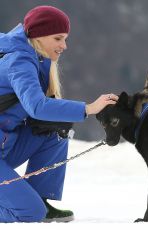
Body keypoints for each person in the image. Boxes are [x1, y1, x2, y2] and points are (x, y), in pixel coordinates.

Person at [0, 5, 118, 223]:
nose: (64, 45)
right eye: (58, 38)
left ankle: (39, 199)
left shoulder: (29, 54)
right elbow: (36, 106)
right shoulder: (19, 60)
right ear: (39, 35)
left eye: (65, 39)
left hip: (5, 144)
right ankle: (31, 207)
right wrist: (88, 108)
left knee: (54, 130)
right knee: (29, 213)